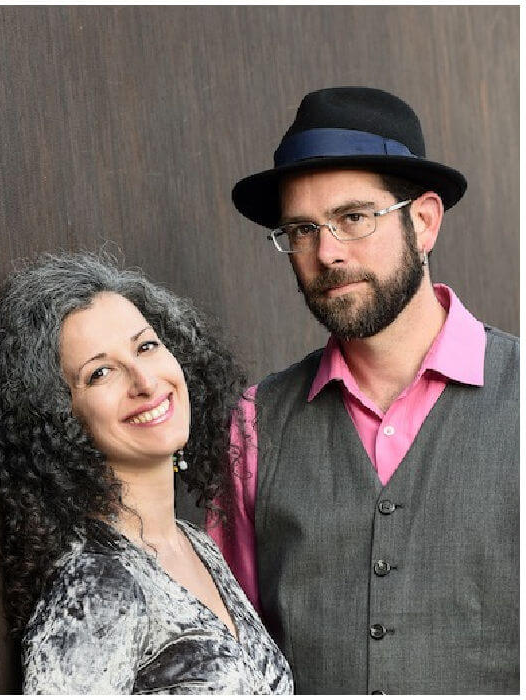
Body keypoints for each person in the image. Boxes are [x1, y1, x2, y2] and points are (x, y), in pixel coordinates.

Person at [214, 86, 519, 693]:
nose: (327, 252)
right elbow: (235, 664)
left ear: (424, 222)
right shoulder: (253, 426)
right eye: (301, 229)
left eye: (353, 218)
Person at [0, 252, 292, 694]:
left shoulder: (196, 545)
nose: (145, 382)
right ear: (61, 417)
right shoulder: (98, 587)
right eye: (100, 373)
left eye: (146, 346)